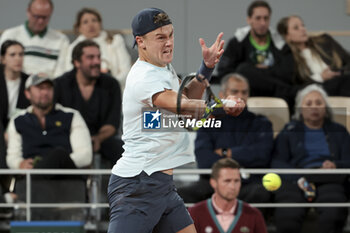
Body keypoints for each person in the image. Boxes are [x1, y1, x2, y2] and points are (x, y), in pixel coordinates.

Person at [107, 8, 245, 233]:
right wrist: (220, 107)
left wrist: (206, 69)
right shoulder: (143, 76)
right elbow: (180, 105)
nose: (169, 43)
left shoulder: (162, 68)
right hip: (137, 186)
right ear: (140, 41)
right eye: (160, 37)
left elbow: (187, 98)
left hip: (161, 185)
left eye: (170, 35)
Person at [178, 73, 273, 208]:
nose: (240, 96)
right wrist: (241, 158)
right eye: (235, 91)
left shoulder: (261, 123)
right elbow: (204, 160)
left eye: (244, 92)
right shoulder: (209, 121)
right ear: (222, 95)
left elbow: (262, 156)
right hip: (213, 184)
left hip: (248, 184)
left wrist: (224, 153)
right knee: (182, 194)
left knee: (261, 193)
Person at [271, 84, 350, 233]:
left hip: (329, 179)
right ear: (300, 108)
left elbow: (348, 161)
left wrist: (335, 165)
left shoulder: (339, 131)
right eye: (308, 103)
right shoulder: (289, 130)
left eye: (319, 103)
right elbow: (277, 162)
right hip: (297, 180)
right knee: (287, 216)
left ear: (325, 107)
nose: (314, 107)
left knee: (334, 214)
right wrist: (298, 177)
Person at [55, 40, 123, 165]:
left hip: (101, 139)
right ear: (77, 62)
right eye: (90, 57)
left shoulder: (111, 85)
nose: (97, 62)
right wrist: (81, 142)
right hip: (69, 138)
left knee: (122, 149)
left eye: (98, 57)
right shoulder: (60, 84)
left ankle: (125, 185)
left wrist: (98, 138)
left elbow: (112, 124)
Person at [216, 0, 295, 106]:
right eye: (258, 18)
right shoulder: (236, 43)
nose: (262, 23)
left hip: (277, 96)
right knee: (243, 70)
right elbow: (224, 73)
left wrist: (254, 72)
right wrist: (267, 72)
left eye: (266, 18)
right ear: (249, 20)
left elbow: (288, 74)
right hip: (247, 95)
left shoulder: (280, 45)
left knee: (244, 69)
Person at [6, 73, 92, 170]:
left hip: (65, 176)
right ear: (27, 93)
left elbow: (85, 155)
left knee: (59, 154)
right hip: (32, 177)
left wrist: (56, 162)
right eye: (40, 88)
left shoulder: (71, 116)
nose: (45, 92)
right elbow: (12, 156)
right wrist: (19, 164)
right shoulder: (18, 120)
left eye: (49, 88)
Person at [188, 158, 268, 233]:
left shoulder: (254, 215)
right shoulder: (194, 213)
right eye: (227, 181)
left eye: (236, 181)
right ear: (213, 183)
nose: (233, 186)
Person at [277, 15, 350, 96]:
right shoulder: (287, 58)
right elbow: (296, 86)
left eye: (303, 25)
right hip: (317, 90)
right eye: (296, 28)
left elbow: (348, 60)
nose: (303, 29)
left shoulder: (324, 40)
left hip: (342, 80)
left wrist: (340, 72)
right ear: (287, 36)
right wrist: (321, 77)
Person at [64, 8, 132, 89]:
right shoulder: (73, 47)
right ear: (79, 27)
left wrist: (111, 83)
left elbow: (126, 69)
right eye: (85, 22)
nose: (91, 25)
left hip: (114, 88)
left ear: (100, 23)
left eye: (94, 20)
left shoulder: (115, 41)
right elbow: (69, 72)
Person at [0, 0, 69, 78]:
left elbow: (62, 73)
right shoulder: (10, 35)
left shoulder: (61, 40)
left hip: (48, 86)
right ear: (28, 12)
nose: (40, 21)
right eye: (36, 16)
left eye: (45, 17)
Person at [0, 40, 30, 131]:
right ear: (3, 59)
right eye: (12, 55)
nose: (18, 59)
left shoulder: (28, 81)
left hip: (21, 129)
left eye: (21, 55)